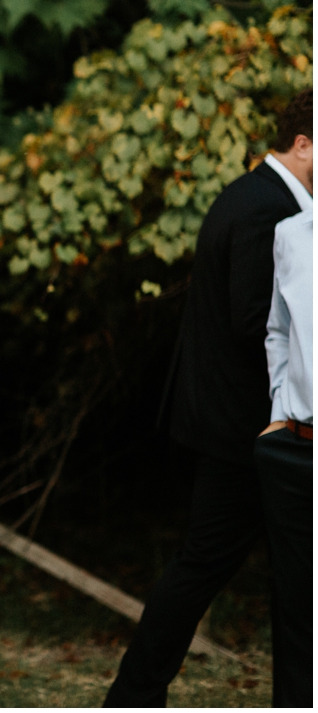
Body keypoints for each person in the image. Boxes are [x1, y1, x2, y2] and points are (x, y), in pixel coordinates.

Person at [104, 89, 312, 707]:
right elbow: (257, 322)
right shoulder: (268, 210)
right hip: (249, 431)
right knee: (209, 568)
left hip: (242, 425)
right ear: (304, 144)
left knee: (249, 572)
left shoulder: (255, 196)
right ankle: (135, 695)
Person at [255, 193, 312, 705]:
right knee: (297, 612)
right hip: (295, 449)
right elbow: (278, 330)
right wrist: (278, 411)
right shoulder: (291, 234)